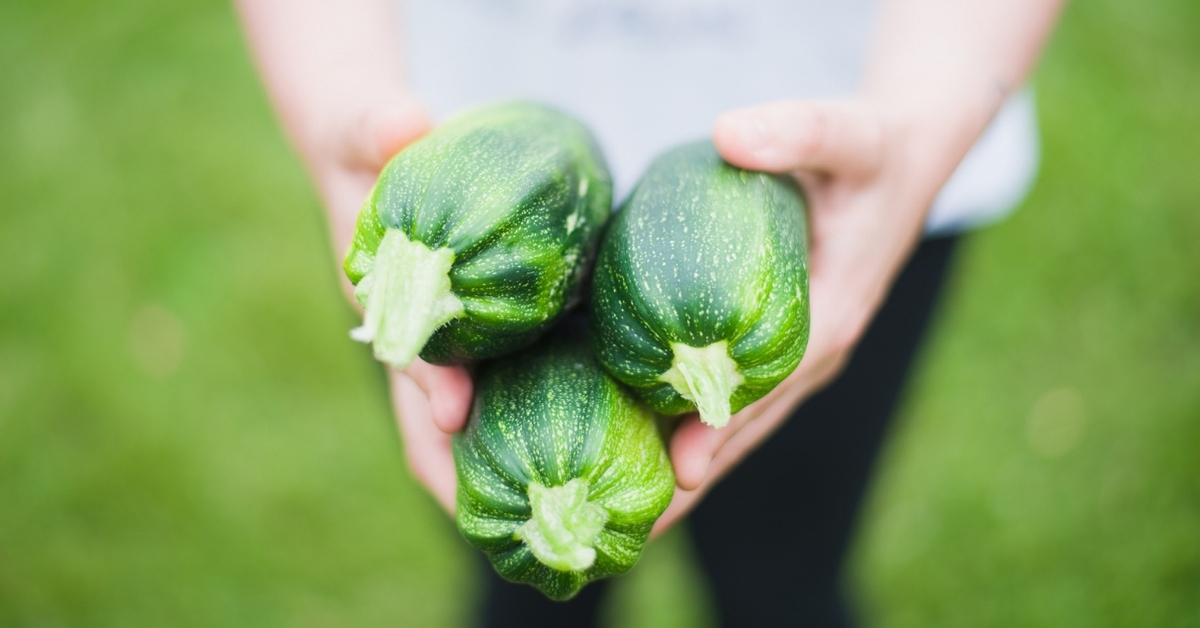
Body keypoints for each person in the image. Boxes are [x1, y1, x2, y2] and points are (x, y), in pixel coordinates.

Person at [236, 1, 1064, 625]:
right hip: (458, 159)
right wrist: (335, 99)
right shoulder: (426, 236)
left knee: (783, 577)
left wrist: (925, 127)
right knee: (526, 585)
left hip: (854, 171)